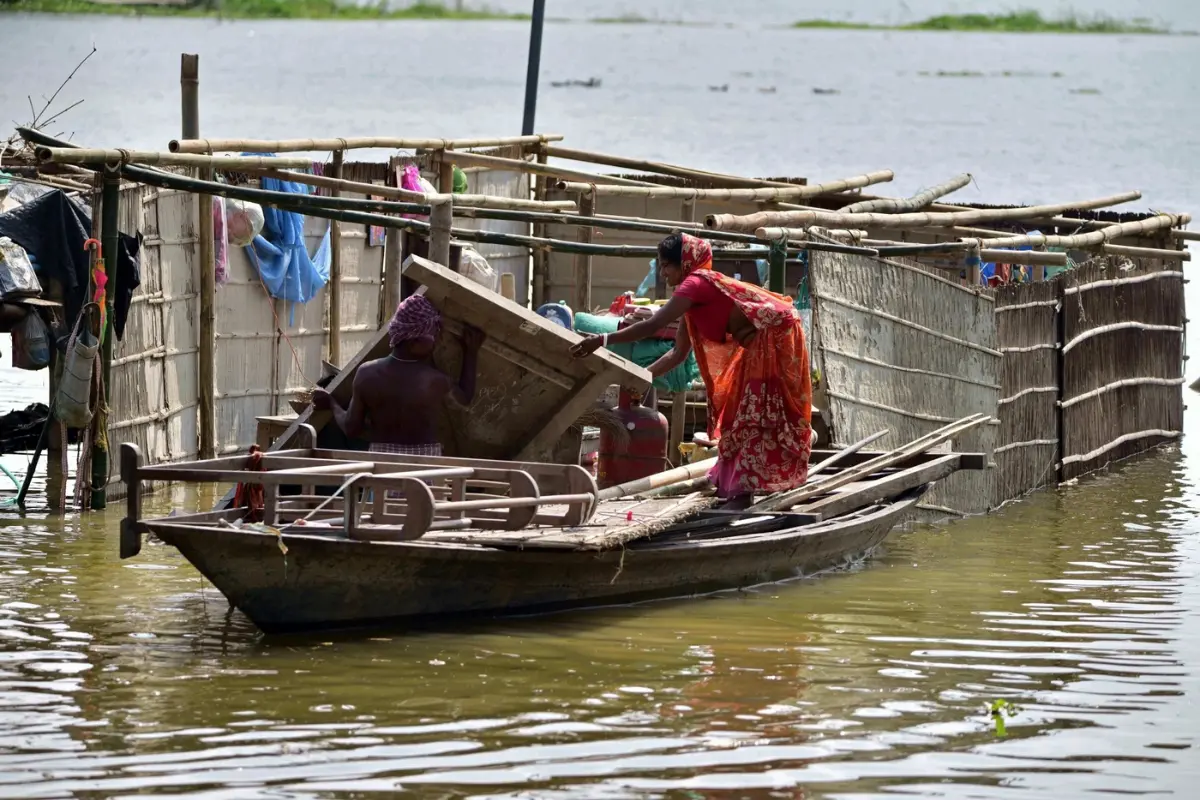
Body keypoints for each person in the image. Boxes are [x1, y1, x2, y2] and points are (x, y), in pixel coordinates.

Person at [571, 233, 812, 509]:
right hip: (758, 345)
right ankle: (738, 488)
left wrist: (601, 340)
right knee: (738, 416)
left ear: (684, 264)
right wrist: (642, 379)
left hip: (776, 337)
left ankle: (744, 490)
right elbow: (678, 353)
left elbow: (653, 325)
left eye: (666, 266)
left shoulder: (696, 283)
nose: (661, 272)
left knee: (754, 412)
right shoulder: (690, 297)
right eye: (660, 266)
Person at [313, 294, 484, 457]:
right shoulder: (433, 381)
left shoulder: (367, 374)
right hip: (424, 471)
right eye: (434, 334)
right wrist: (471, 352)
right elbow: (465, 397)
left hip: (382, 470)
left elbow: (351, 429)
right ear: (413, 340)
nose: (438, 339)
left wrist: (331, 403)